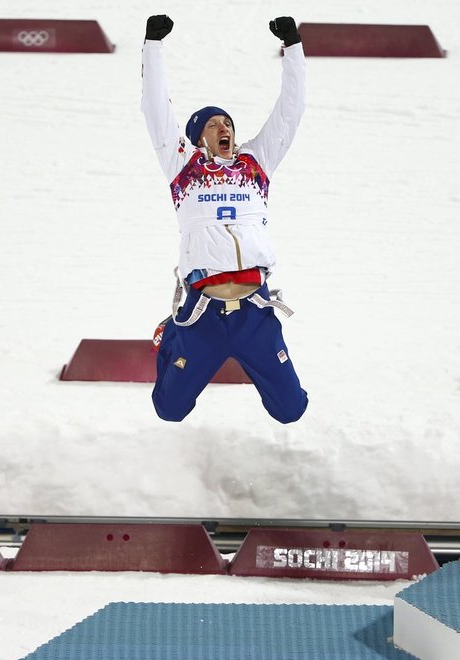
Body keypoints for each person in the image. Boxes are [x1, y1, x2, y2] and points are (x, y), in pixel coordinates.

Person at [141, 14, 309, 424]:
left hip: (255, 311)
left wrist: (293, 47)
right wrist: (153, 46)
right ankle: (173, 336)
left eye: (228, 123)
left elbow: (290, 112)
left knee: (291, 410)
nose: (225, 128)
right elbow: (155, 109)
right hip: (202, 314)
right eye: (214, 124)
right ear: (198, 136)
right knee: (169, 410)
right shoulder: (184, 167)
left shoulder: (256, 163)